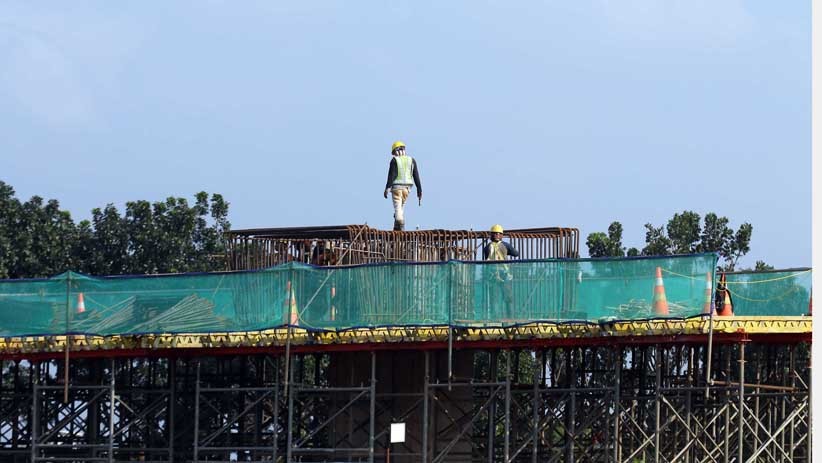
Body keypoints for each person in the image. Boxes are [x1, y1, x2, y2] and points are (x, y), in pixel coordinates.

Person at [383, 141, 422, 231]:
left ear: (395, 152)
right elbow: (416, 176)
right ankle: (397, 223)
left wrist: (387, 188)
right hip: (407, 189)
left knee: (397, 206)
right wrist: (419, 191)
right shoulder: (411, 160)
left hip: (396, 188)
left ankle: (399, 224)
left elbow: (391, 175)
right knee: (401, 207)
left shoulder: (394, 160)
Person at [483, 224, 520, 319]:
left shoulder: (487, 247)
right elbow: (516, 254)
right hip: (504, 274)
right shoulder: (505, 245)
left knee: (494, 298)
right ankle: (510, 318)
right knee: (508, 298)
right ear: (501, 235)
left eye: (495, 234)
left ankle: (495, 319)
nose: (495, 235)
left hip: (492, 275)